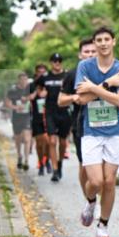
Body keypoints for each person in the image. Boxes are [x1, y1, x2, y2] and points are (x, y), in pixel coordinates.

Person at [75, 27, 119, 237]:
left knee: (109, 182)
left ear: (113, 41)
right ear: (95, 43)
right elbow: (81, 99)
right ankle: (91, 202)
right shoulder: (85, 66)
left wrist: (94, 88)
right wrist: (109, 84)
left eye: (107, 39)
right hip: (91, 131)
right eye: (99, 40)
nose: (103, 43)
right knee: (96, 181)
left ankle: (103, 225)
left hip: (115, 132)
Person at [58, 37, 98, 206]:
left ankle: (100, 204)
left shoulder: (108, 71)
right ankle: (90, 201)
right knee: (85, 166)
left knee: (102, 173)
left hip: (106, 125)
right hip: (81, 125)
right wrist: (75, 97)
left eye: (92, 51)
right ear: (80, 54)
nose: (89, 54)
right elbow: (61, 101)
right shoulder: (72, 74)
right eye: (86, 51)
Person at [37, 53, 71, 182]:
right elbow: (39, 88)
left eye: (59, 60)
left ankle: (60, 162)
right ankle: (55, 170)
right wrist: (41, 93)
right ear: (51, 62)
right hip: (50, 112)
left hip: (64, 111)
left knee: (63, 142)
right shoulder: (45, 77)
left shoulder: (67, 75)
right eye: (55, 61)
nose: (57, 63)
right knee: (52, 141)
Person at [5, 73, 33, 170]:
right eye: (22, 79)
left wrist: (28, 98)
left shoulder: (29, 88)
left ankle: (26, 160)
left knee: (26, 138)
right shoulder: (13, 90)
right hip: (16, 117)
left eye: (25, 79)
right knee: (17, 139)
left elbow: (35, 94)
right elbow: (7, 103)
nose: (24, 81)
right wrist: (16, 107)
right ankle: (19, 156)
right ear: (18, 80)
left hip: (27, 117)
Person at [30, 63, 50, 175]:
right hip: (37, 117)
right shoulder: (32, 85)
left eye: (44, 72)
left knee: (48, 142)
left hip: (48, 116)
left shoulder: (49, 84)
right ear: (36, 73)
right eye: (40, 72)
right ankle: (41, 163)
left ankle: (47, 160)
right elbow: (27, 98)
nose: (42, 74)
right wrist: (34, 93)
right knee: (39, 143)